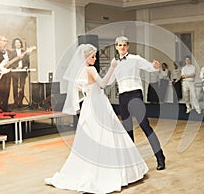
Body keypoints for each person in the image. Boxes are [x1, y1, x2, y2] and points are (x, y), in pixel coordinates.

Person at [45, 44, 148, 193]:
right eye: (92, 56)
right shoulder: (90, 69)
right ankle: (110, 171)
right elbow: (103, 84)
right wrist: (112, 67)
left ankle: (91, 168)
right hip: (99, 104)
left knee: (91, 137)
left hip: (88, 106)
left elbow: (81, 89)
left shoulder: (79, 71)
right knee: (107, 135)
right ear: (86, 57)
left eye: (95, 56)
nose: (95, 59)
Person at [107, 36, 166, 170]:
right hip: (123, 97)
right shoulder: (114, 62)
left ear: (127, 46)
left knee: (145, 126)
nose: (122, 47)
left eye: (124, 45)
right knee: (128, 129)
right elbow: (109, 80)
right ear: (116, 47)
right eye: (119, 45)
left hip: (135, 95)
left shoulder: (135, 58)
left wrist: (155, 66)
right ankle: (132, 162)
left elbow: (150, 67)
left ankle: (160, 157)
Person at [10, 38, 30, 108]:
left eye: (19, 43)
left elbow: (27, 61)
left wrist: (25, 67)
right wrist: (15, 67)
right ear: (14, 44)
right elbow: (10, 62)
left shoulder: (24, 52)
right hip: (15, 71)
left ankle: (20, 102)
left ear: (21, 44)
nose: (18, 44)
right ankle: (15, 102)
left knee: (22, 86)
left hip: (22, 71)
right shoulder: (12, 53)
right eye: (16, 43)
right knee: (15, 86)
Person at [0, 36, 11, 113]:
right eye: (3, 40)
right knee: (0, 90)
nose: (5, 42)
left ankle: (5, 106)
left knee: (7, 90)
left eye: (6, 41)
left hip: (7, 72)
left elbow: (11, 62)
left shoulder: (8, 51)